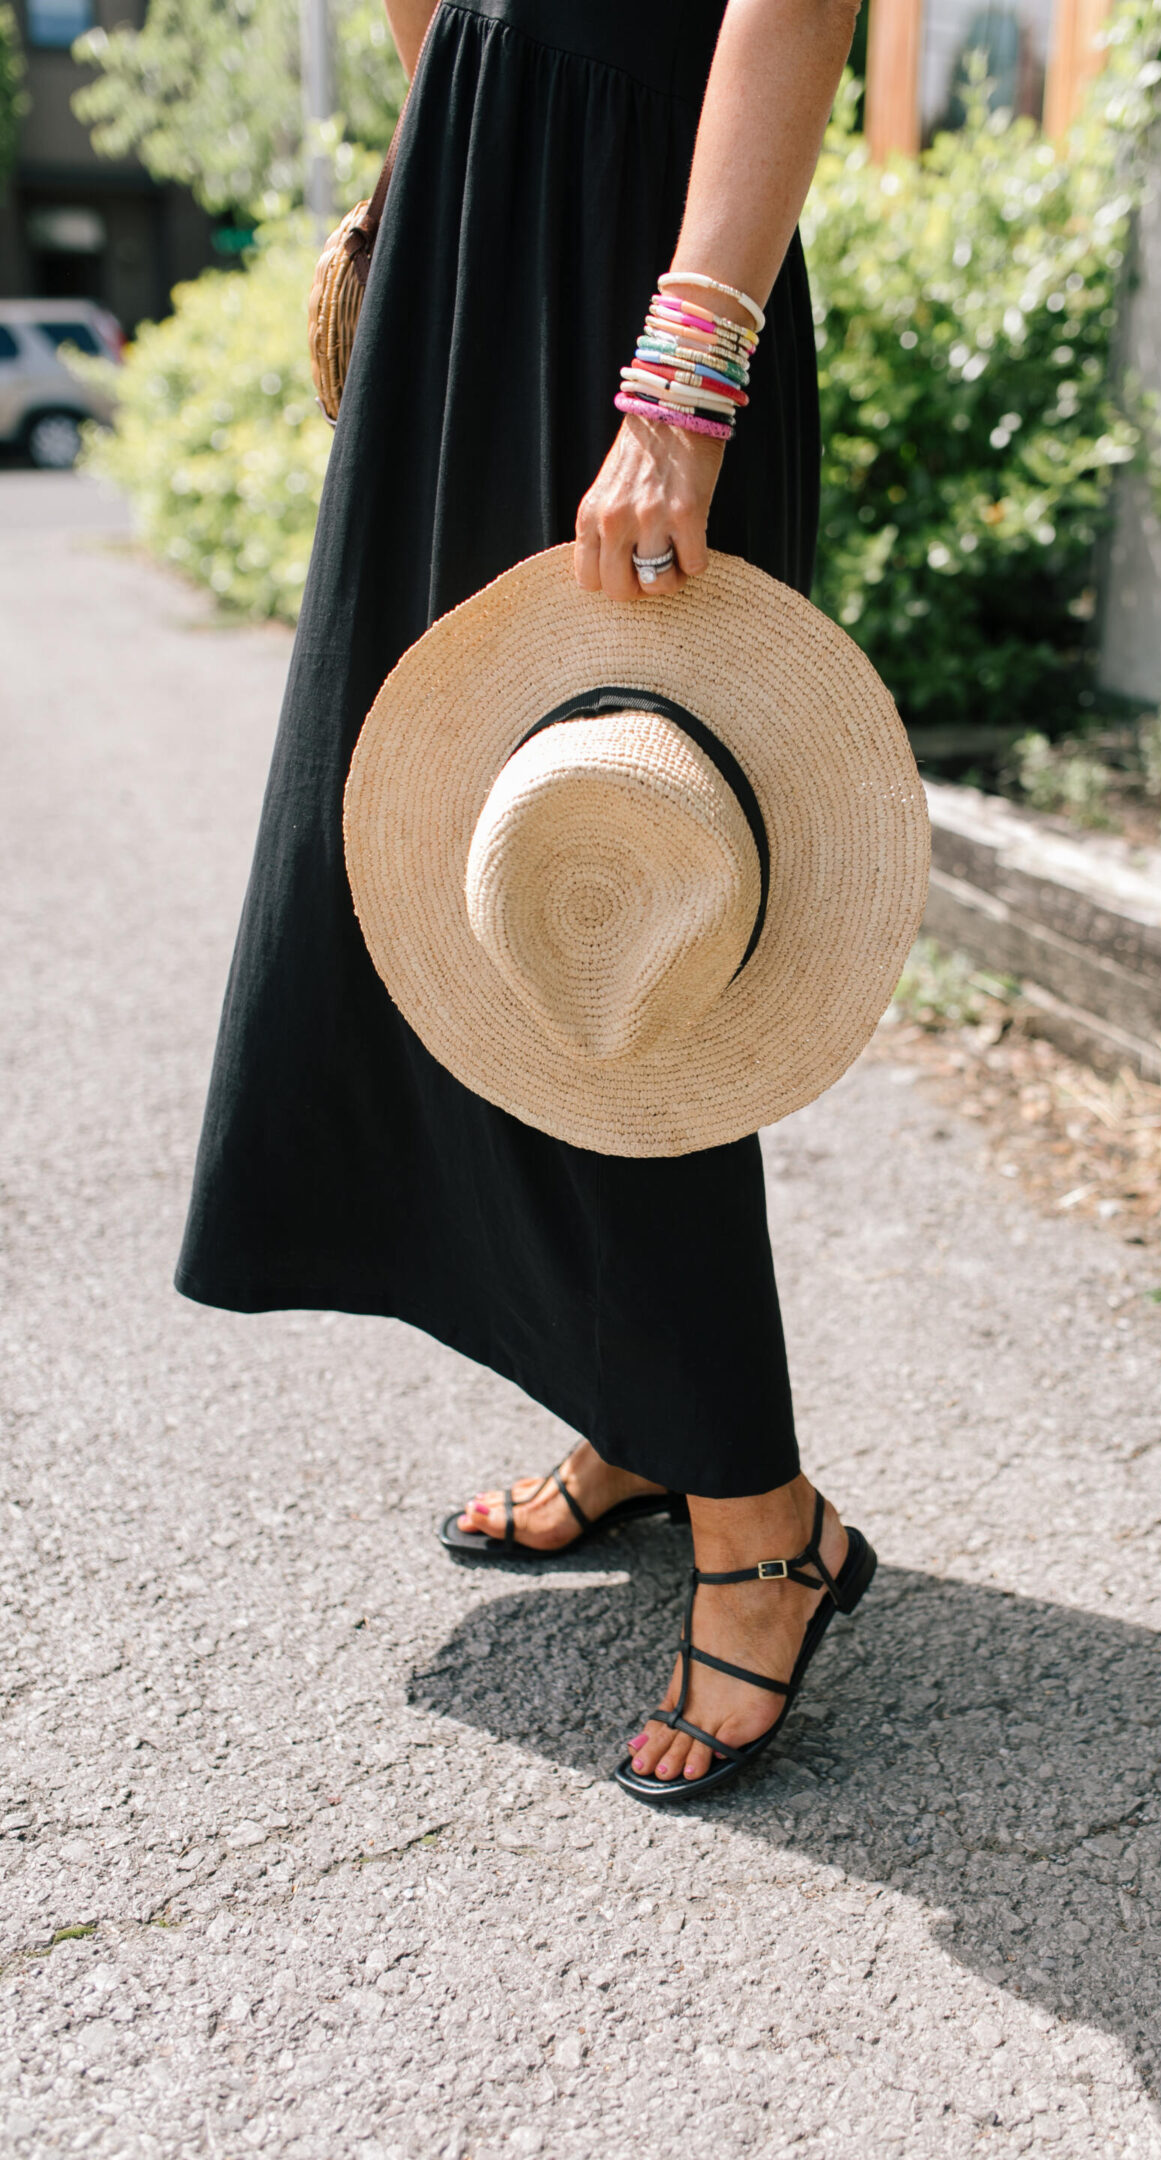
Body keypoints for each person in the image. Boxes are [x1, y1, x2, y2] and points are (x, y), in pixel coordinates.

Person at [176, 0, 869, 1797]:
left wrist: (685, 374)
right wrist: (432, 159)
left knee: (625, 875)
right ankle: (634, 1409)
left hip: (639, 254)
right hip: (476, 229)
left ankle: (758, 1519)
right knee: (454, 869)